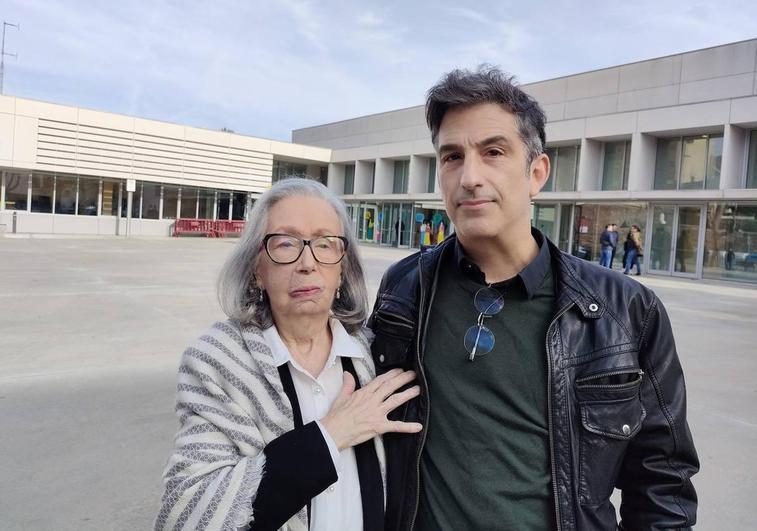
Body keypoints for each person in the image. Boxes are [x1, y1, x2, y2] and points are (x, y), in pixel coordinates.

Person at [370, 66, 698, 530]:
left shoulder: (627, 312)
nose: (469, 177)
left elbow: (663, 482)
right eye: (451, 157)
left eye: (494, 152)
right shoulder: (404, 288)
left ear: (536, 172)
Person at [156, 178, 422, 531]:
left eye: (326, 244)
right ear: (257, 269)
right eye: (285, 244)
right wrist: (330, 435)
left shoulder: (375, 355)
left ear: (343, 268)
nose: (307, 263)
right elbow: (187, 512)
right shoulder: (218, 361)